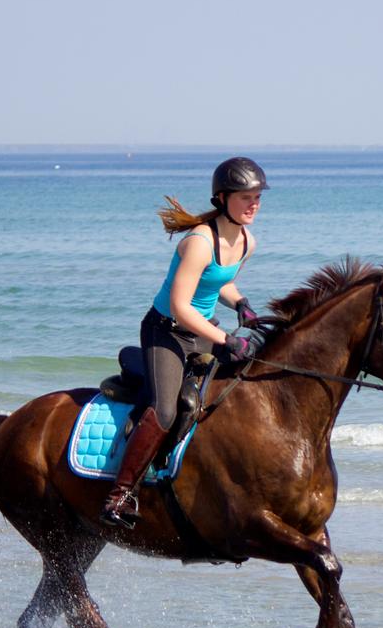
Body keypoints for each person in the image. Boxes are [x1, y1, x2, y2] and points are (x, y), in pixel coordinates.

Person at [99, 156, 268, 529]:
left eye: (257, 197)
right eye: (246, 197)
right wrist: (225, 339)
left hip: (201, 330)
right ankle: (120, 494)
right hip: (166, 331)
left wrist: (241, 304)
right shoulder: (199, 242)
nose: (254, 204)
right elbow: (179, 304)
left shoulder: (246, 241)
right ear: (222, 199)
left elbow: (217, 281)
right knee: (167, 410)